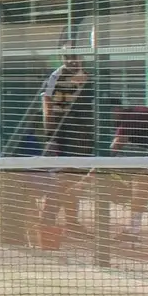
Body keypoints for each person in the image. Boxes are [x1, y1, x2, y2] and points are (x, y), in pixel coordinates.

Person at [37, 45, 95, 245]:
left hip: (82, 134)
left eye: (74, 55)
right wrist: (50, 133)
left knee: (74, 178)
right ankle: (48, 221)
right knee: (61, 178)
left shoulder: (88, 76)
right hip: (63, 134)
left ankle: (71, 220)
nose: (71, 59)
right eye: (67, 56)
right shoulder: (57, 76)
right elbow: (47, 102)